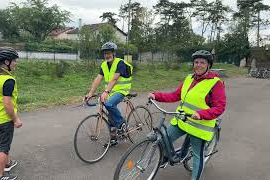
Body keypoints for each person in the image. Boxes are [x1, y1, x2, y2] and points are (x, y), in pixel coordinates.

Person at [149, 50, 226, 180]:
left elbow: (219, 107)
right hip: (182, 120)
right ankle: (172, 157)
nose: (198, 65)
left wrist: (200, 114)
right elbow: (176, 95)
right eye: (196, 62)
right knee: (163, 140)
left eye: (202, 62)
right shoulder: (189, 78)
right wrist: (156, 96)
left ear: (208, 65)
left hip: (199, 126)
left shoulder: (215, 83)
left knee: (198, 155)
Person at [85, 42, 133, 146]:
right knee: (110, 113)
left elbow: (115, 79)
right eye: (105, 53)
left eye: (109, 53)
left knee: (109, 104)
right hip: (111, 91)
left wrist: (106, 92)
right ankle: (113, 139)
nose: (107, 55)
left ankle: (122, 123)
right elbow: (98, 78)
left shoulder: (120, 63)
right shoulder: (104, 65)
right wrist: (90, 93)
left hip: (121, 90)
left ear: (114, 53)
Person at [0, 47, 22, 180]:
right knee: (4, 147)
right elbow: (7, 104)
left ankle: (7, 163)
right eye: (14, 61)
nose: (15, 63)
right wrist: (16, 119)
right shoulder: (8, 80)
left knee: (3, 141)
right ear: (7, 62)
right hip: (3, 119)